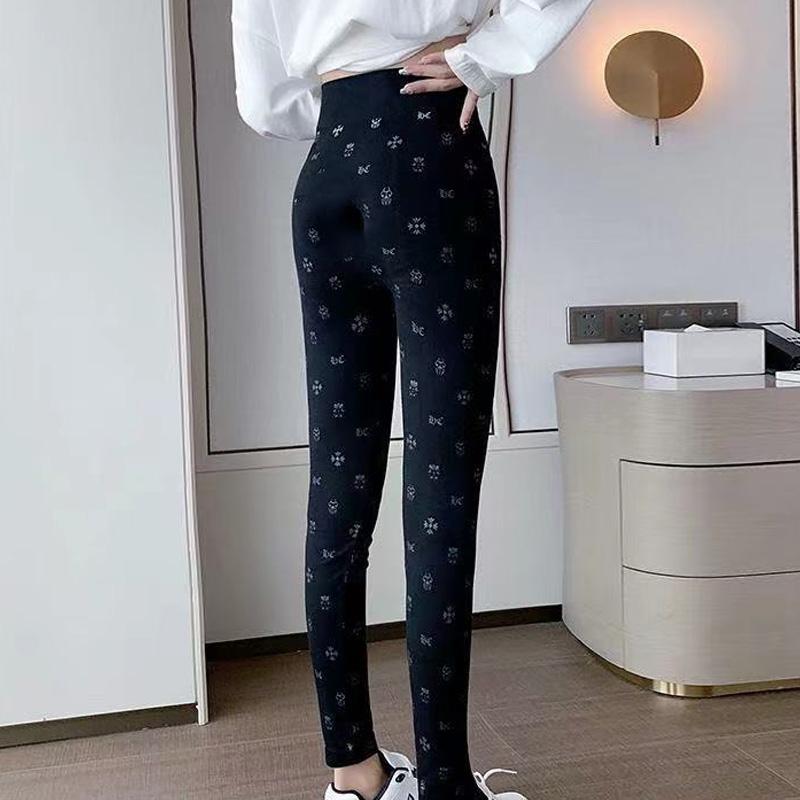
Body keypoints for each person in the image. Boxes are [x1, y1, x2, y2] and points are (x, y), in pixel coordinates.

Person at [231, 2, 593, 798]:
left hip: (326, 170)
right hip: (428, 152)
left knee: (337, 484)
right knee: (442, 486)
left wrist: (347, 100)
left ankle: (355, 775)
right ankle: (445, 786)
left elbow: (262, 100)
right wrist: (483, 55)